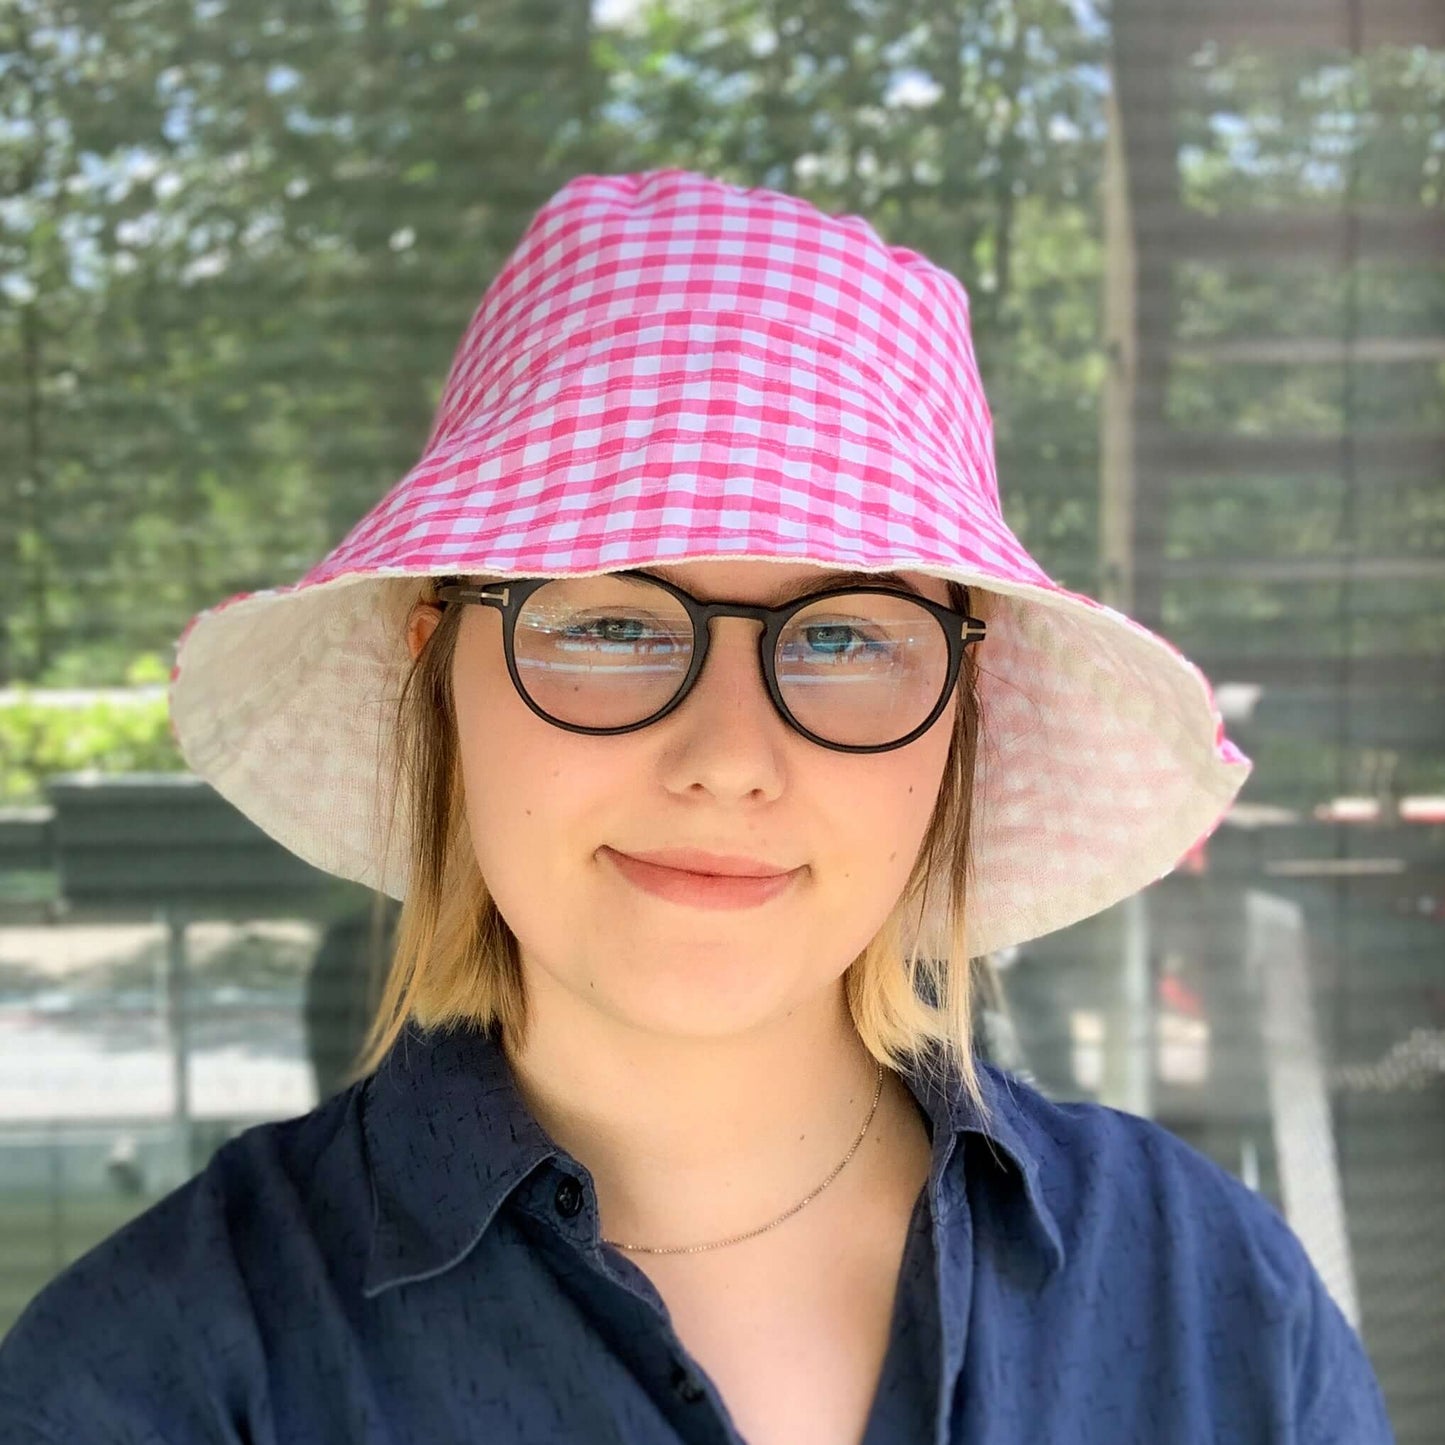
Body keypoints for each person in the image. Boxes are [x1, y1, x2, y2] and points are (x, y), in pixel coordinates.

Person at [0, 168, 1393, 1444]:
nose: (727, 755)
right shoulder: (164, 1375)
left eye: (845, 634)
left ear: (959, 718)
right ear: (437, 669)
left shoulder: (1213, 1304)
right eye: (609, 625)